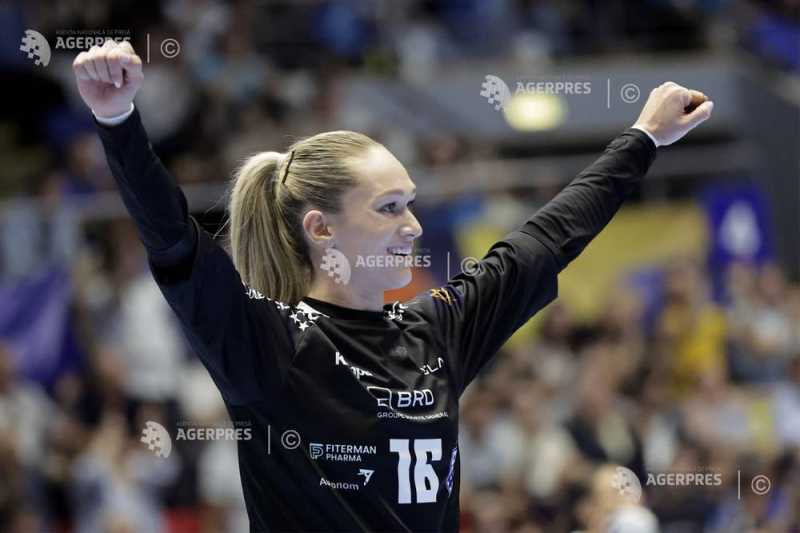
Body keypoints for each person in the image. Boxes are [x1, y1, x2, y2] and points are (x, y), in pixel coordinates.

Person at [72, 38, 713, 532]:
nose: (412, 226)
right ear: (321, 227)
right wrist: (118, 119)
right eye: (388, 208)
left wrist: (644, 138)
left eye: (410, 204)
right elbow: (175, 241)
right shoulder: (266, 345)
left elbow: (545, 240)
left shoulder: (438, 331)